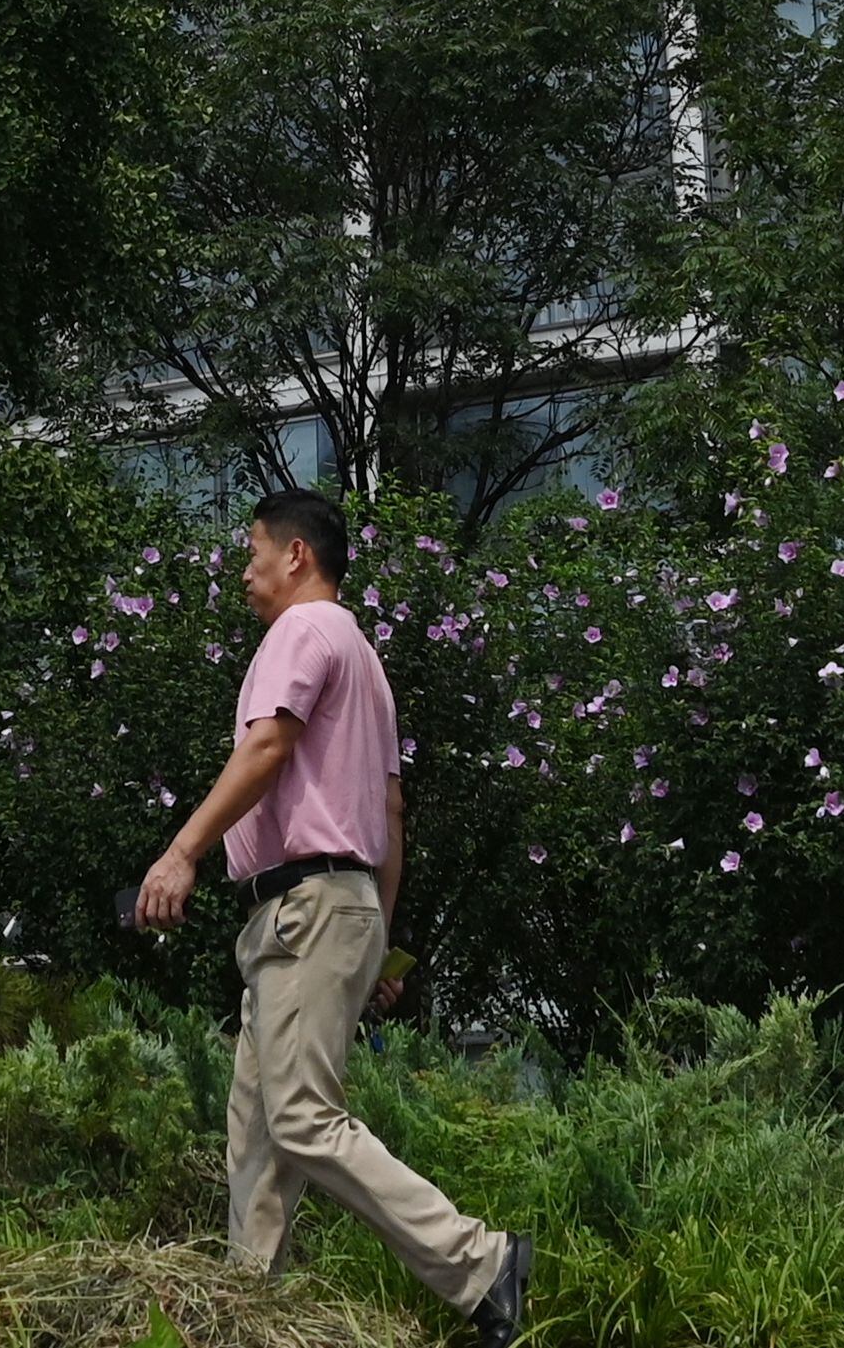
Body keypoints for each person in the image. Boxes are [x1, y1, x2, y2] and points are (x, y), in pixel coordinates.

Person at [135, 485, 528, 1344]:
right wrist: (377, 932)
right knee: (259, 1137)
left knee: (301, 1117)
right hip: (330, 909)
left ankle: (480, 1263)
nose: (245, 573)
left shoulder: (301, 631)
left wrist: (182, 850)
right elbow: (389, 810)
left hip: (306, 906)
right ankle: (252, 1316)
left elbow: (268, 746)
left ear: (296, 555)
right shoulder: (363, 658)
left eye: (252, 553)